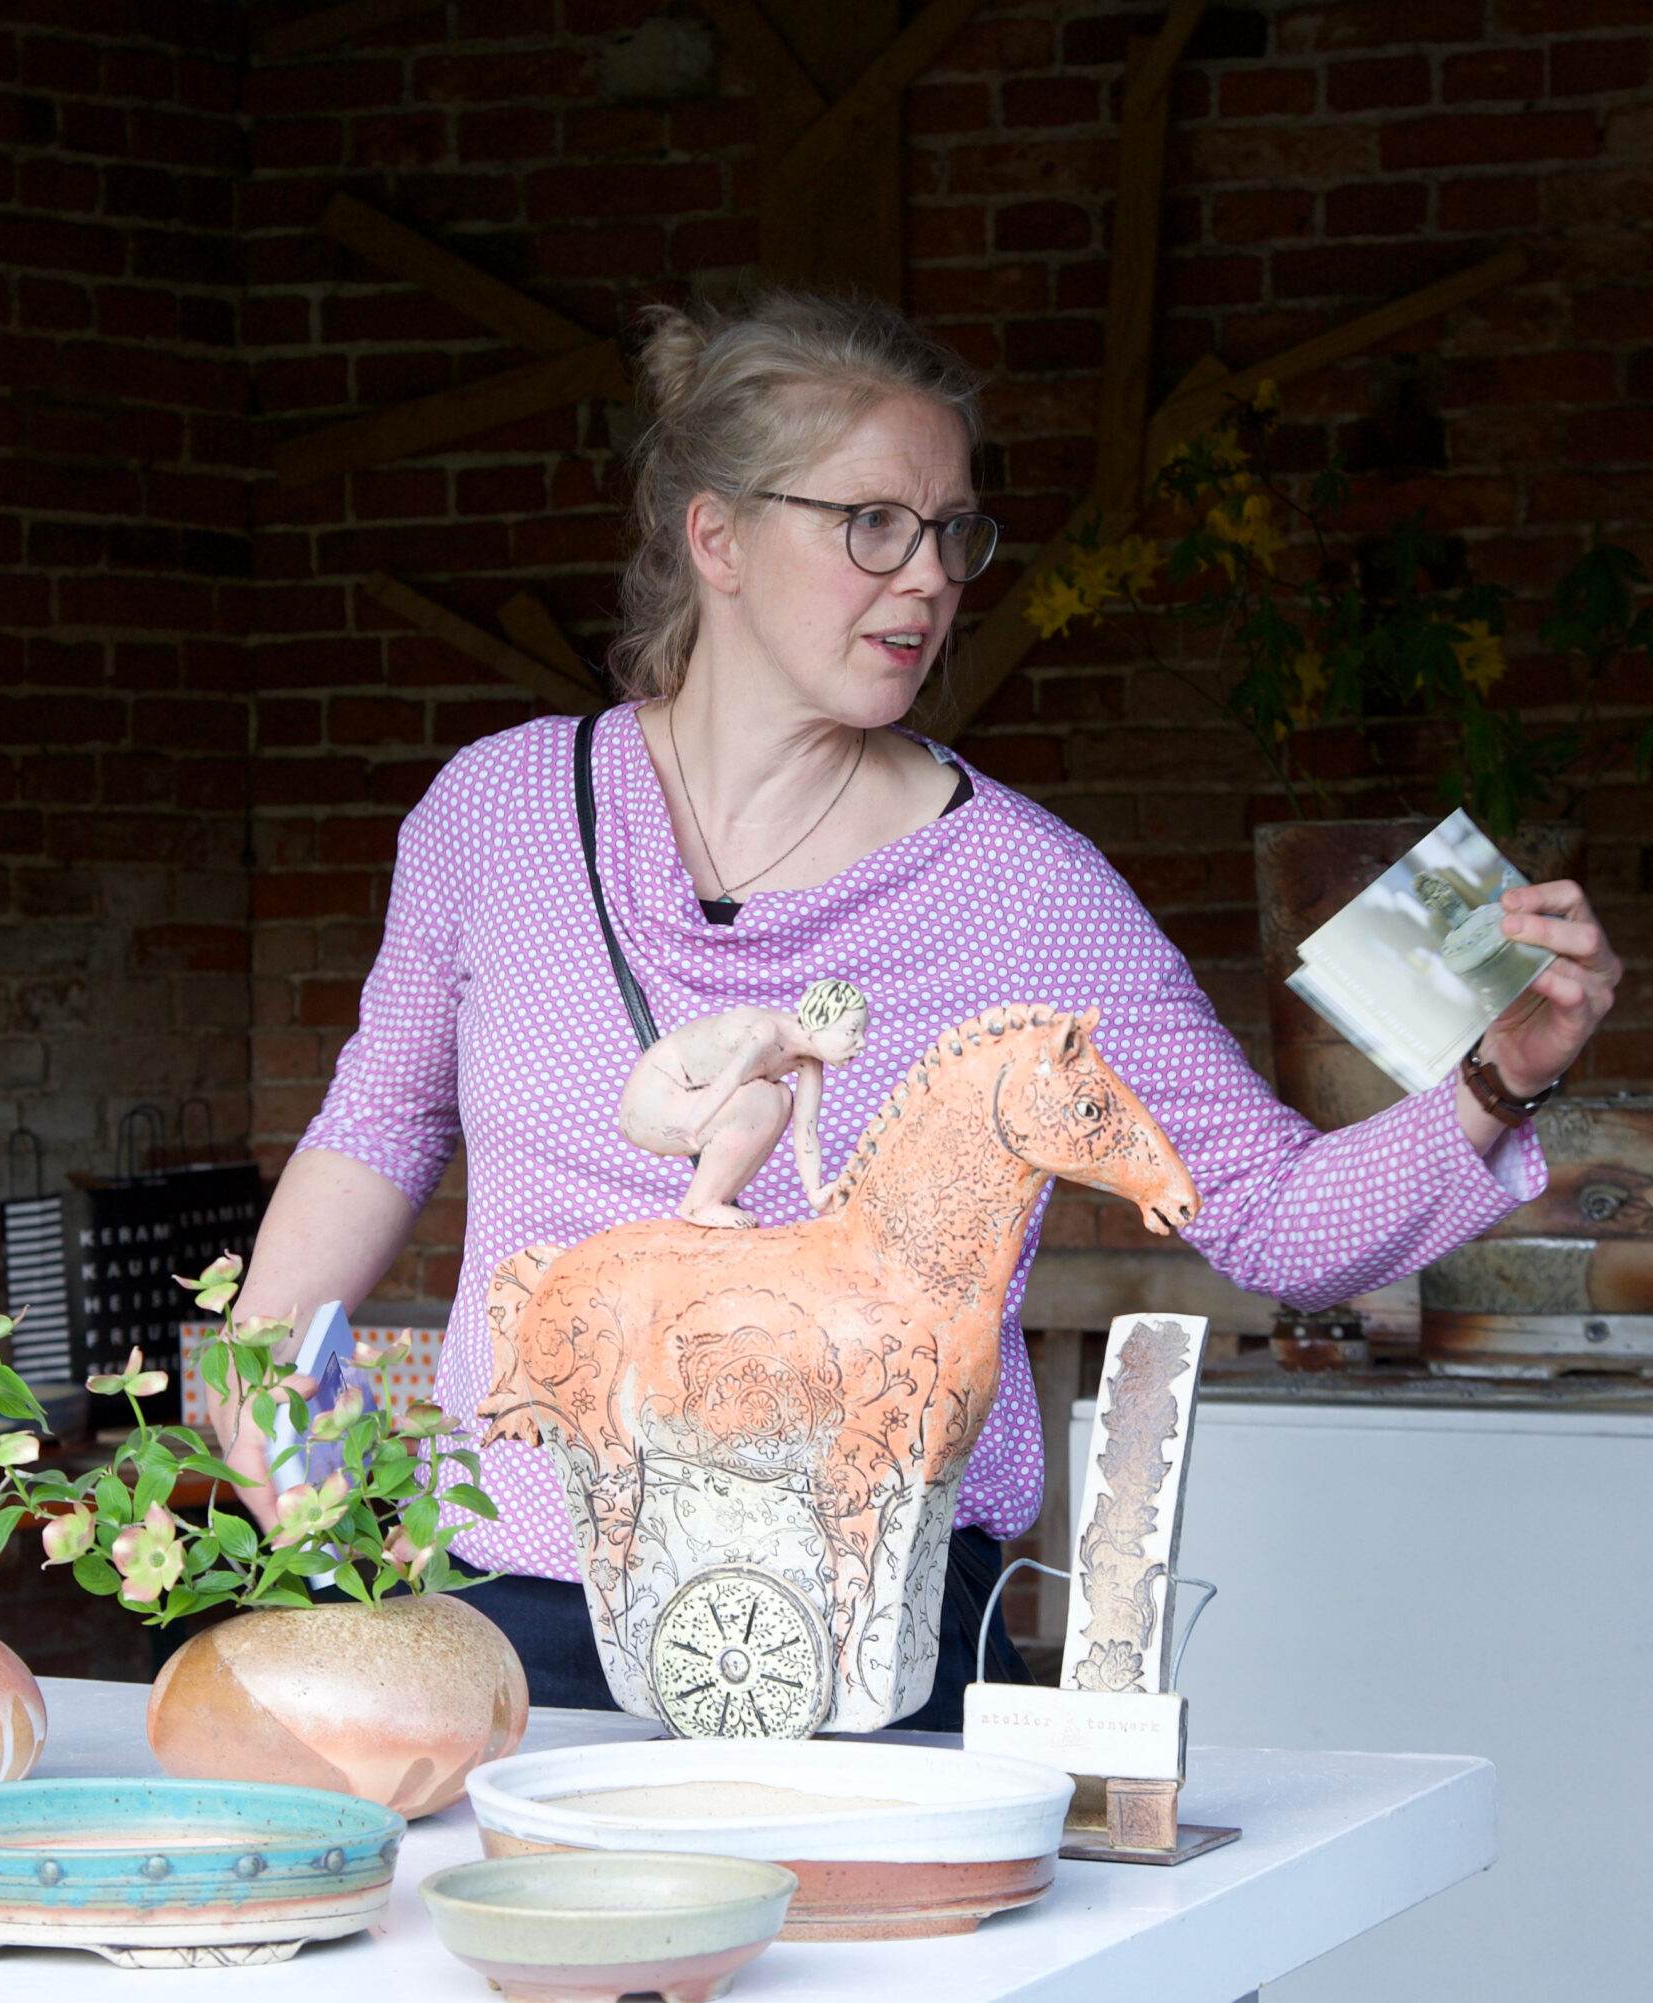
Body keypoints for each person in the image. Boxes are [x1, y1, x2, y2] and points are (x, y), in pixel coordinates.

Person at [218, 290, 1625, 1722]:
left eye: (952, 532)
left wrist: (1498, 1079)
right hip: (518, 1612)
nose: (930, 579)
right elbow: (382, 1118)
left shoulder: (1026, 887)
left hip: (871, 1622)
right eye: (872, 525)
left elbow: (1274, 1219)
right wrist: (261, 1362)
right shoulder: (497, 811)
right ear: (717, 537)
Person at [616, 978, 869, 1222]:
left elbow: (806, 1130)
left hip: (691, 1103)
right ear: (820, 1020)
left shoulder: (809, 1061)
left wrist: (815, 1193)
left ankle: (715, 1199)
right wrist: (693, 1126)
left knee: (781, 1098)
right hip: (651, 1103)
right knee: (763, 1099)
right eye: (851, 1031)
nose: (861, 1043)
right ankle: (699, 1205)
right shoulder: (766, 1032)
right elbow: (729, 1079)